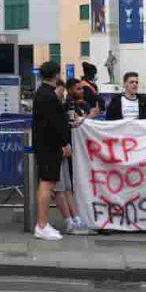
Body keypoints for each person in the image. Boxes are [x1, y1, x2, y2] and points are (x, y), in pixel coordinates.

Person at [31, 61, 70, 240]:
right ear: (56, 75)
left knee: (47, 183)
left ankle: (43, 223)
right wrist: (64, 143)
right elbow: (55, 123)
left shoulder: (43, 93)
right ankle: (42, 225)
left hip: (45, 145)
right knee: (47, 184)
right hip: (49, 146)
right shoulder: (48, 96)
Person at [53, 79, 90, 234]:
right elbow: (65, 125)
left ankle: (75, 218)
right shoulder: (61, 105)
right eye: (78, 88)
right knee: (59, 187)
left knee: (67, 187)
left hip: (64, 148)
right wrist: (64, 143)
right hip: (56, 149)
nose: (82, 91)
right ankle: (70, 220)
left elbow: (70, 123)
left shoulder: (68, 105)